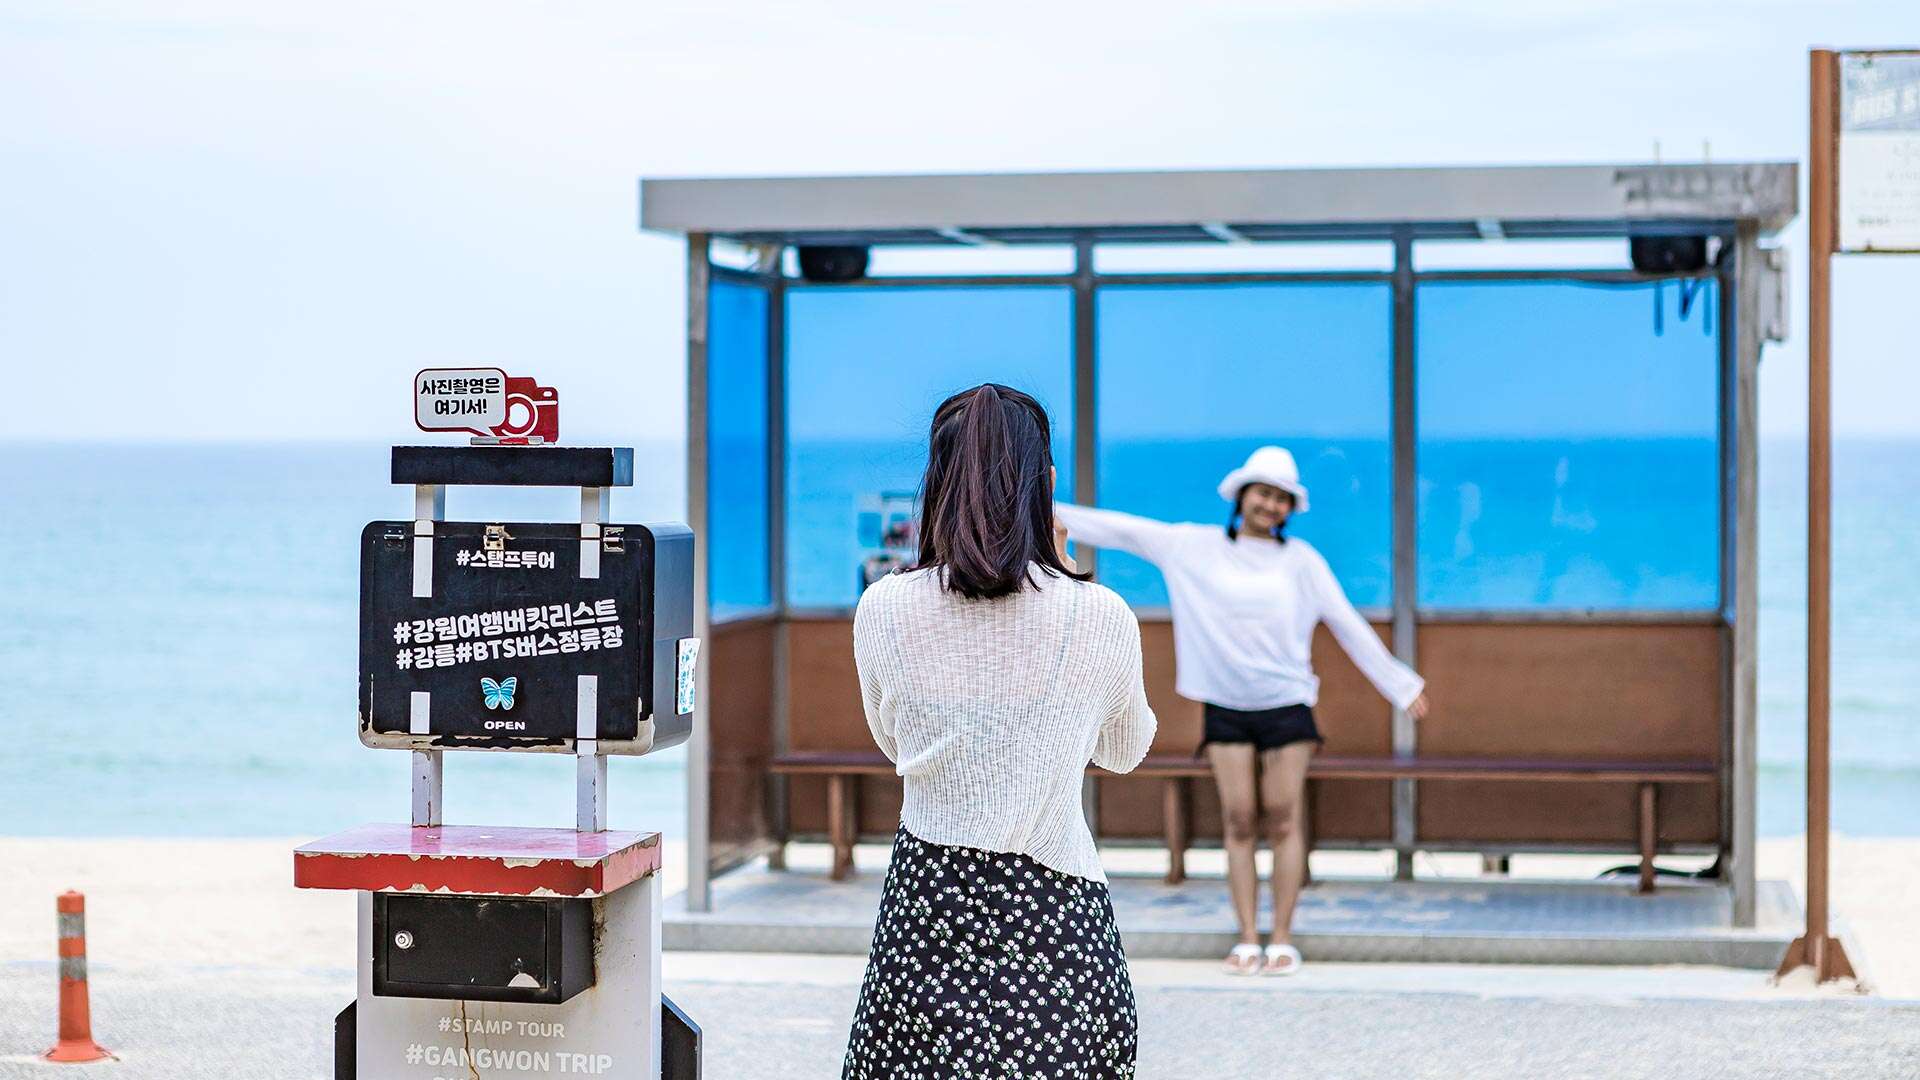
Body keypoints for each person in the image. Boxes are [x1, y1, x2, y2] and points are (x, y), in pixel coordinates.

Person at [843, 384, 1156, 1079]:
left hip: (924, 920)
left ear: (939, 482)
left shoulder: (884, 608)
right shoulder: (1100, 614)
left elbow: (895, 744)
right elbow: (1125, 750)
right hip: (1059, 925)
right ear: (1044, 486)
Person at [1053, 446, 1428, 977]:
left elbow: (1347, 623)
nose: (1270, 504)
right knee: (1238, 819)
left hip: (1288, 707)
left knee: (1283, 816)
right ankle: (1248, 936)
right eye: (1263, 493)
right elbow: (1120, 529)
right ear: (1242, 496)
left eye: (1281, 498)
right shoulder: (1193, 546)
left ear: (1289, 508)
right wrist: (1034, 508)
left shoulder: (1302, 562)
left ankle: (1282, 937)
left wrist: (1400, 684)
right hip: (1225, 708)